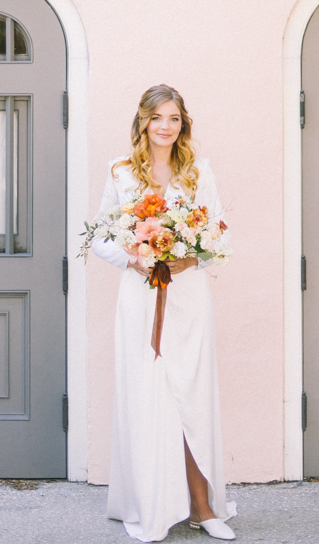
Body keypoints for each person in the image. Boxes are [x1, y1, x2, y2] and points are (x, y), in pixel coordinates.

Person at [92, 84, 236, 543]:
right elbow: (100, 237)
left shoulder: (198, 171)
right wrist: (134, 259)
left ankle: (203, 507)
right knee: (148, 400)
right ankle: (151, 509)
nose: (165, 127)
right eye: (157, 118)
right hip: (140, 300)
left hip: (189, 299)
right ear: (143, 121)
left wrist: (191, 256)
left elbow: (218, 236)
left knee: (192, 400)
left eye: (173, 119)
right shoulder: (120, 171)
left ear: (183, 123)